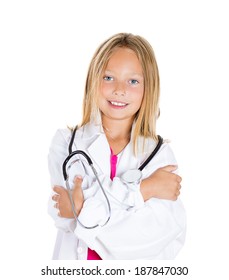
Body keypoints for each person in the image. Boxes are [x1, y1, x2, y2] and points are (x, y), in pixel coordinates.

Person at [48, 33, 186, 260]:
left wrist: (83, 210)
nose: (119, 89)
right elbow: (62, 213)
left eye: (133, 81)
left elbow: (151, 236)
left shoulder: (160, 155)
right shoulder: (66, 143)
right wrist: (145, 190)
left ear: (148, 88)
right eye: (108, 78)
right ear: (93, 80)